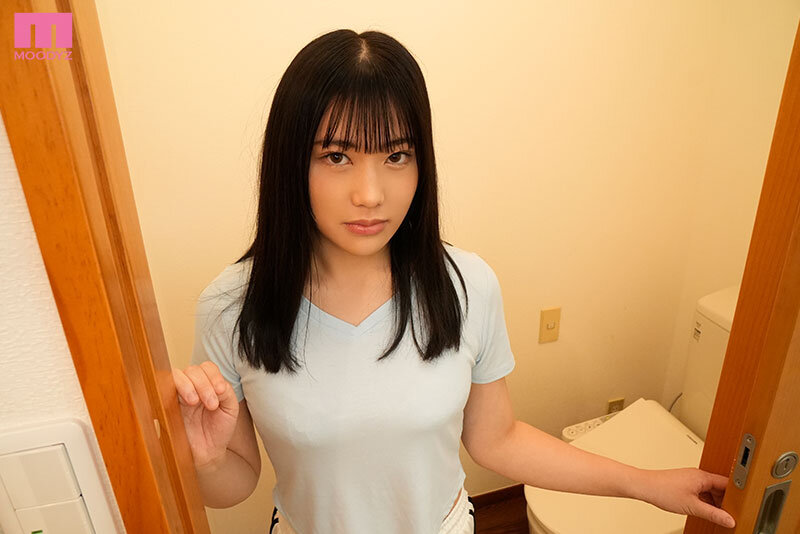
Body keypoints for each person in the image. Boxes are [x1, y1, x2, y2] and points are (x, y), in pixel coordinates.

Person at [171, 29, 736, 534]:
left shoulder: (466, 284)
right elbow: (234, 483)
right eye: (337, 156)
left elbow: (498, 438)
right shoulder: (231, 306)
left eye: (397, 155)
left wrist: (644, 483)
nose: (370, 194)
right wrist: (208, 458)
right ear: (290, 162)